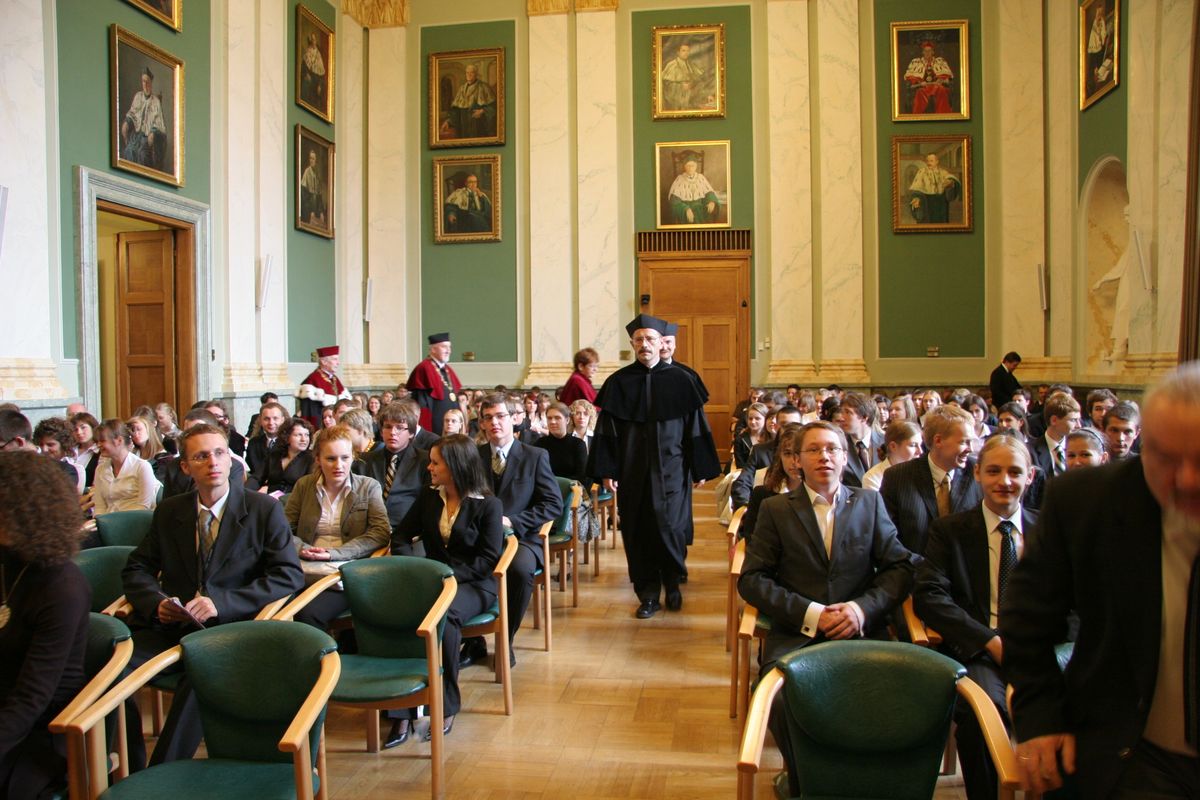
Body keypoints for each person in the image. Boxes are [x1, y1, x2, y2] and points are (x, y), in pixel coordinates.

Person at [1002, 362, 1200, 797]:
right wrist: (1041, 716)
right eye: (1167, 458)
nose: (1187, 480)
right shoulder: (1086, 501)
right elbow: (1028, 616)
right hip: (1131, 751)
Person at [738, 421, 915, 798]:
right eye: (814, 450)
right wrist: (812, 614)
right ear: (797, 460)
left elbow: (899, 568)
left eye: (833, 449)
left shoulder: (869, 503)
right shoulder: (775, 509)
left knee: (890, 694)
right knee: (781, 700)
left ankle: (861, 782)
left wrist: (860, 610)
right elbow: (752, 579)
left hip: (861, 633)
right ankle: (806, 784)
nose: (824, 457)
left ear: (845, 457)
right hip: (798, 636)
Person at [121, 422, 303, 766]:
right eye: (201, 456)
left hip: (230, 630)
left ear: (231, 459)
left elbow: (288, 575)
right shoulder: (171, 510)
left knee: (202, 673)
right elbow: (137, 568)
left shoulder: (263, 509)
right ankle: (127, 766)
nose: (213, 462)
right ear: (185, 467)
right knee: (109, 666)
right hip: (172, 626)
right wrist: (156, 603)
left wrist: (221, 603)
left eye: (220, 453)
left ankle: (161, 775)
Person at [914, 433, 1038, 800]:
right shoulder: (949, 531)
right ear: (978, 473)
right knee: (980, 712)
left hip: (1040, 650)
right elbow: (930, 597)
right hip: (979, 648)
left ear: (1030, 476)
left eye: (1015, 472)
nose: (1005, 481)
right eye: (994, 471)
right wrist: (989, 641)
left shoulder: (1050, 531)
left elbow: (1077, 602)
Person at [588, 314, 720, 618]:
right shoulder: (618, 382)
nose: (644, 344)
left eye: (650, 339)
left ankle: (672, 582)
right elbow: (607, 431)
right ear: (632, 343)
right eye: (639, 340)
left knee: (671, 527)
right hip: (632, 470)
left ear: (661, 342)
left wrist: (700, 466)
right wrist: (607, 470)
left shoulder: (682, 380)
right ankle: (647, 594)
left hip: (673, 469)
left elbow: (696, 427)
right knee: (637, 531)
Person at [385, 435, 503, 747]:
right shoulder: (429, 495)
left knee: (444, 616)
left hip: (474, 584)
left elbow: (487, 560)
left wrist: (444, 576)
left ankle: (445, 703)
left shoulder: (488, 504)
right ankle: (401, 709)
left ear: (456, 466)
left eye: (436, 462)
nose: (430, 467)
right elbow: (401, 536)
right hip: (431, 580)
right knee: (400, 611)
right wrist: (414, 567)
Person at [0, 451, 90, 800]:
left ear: (24, 513)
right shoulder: (9, 561)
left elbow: (32, 697)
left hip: (43, 726)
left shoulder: (62, 587)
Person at [472, 394, 561, 662]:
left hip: (522, 538)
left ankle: (505, 638)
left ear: (514, 419)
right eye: (488, 418)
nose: (494, 423)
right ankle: (473, 639)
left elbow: (553, 504)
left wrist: (513, 521)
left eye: (500, 416)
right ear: (482, 423)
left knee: (520, 570)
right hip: (478, 537)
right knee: (455, 565)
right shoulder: (473, 456)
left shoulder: (535, 456)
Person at [285, 425, 390, 630]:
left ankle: (321, 652)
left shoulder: (368, 487)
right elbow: (284, 530)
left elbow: (380, 532)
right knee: (272, 606)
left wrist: (333, 554)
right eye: (331, 459)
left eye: (345, 458)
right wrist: (303, 549)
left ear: (353, 457)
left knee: (308, 614)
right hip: (304, 566)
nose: (339, 465)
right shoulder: (304, 485)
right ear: (317, 459)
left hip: (345, 572)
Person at [880, 404, 983, 556]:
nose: (971, 449)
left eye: (971, 442)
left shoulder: (977, 472)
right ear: (938, 441)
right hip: (913, 567)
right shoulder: (897, 477)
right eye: (964, 442)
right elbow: (888, 538)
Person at [352, 403, 430, 556]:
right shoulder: (364, 461)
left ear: (411, 433)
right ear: (381, 431)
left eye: (400, 428)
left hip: (410, 536)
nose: (393, 432)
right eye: (387, 427)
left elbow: (428, 506)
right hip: (368, 533)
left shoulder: (425, 461)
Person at [739, 424, 804, 543]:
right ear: (780, 457)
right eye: (787, 454)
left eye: (799, 453)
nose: (794, 461)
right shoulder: (762, 495)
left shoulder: (821, 495)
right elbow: (751, 538)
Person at [90, 419, 161, 516]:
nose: (98, 445)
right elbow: (99, 507)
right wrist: (100, 522)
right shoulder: (100, 469)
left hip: (134, 521)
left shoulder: (142, 467)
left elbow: (143, 507)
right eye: (97, 442)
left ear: (119, 440)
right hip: (107, 522)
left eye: (102, 441)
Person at [406, 333, 463, 436]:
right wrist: (425, 432)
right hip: (434, 426)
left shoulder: (447, 370)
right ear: (433, 349)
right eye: (444, 347)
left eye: (449, 347)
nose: (448, 351)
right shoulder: (423, 368)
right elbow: (422, 404)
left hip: (451, 426)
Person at [254, 417, 315, 496]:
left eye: (307, 435)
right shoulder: (275, 455)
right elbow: (257, 477)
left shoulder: (312, 458)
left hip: (294, 500)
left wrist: (269, 490)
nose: (304, 439)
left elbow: (307, 489)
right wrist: (245, 492)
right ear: (287, 437)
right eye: (299, 435)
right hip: (269, 498)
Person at [833, 392, 884, 486]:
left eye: (847, 412)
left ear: (864, 417)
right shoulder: (838, 444)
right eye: (841, 412)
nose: (841, 418)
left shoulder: (885, 442)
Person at [120, 67, 167, 169]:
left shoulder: (156, 101)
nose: (145, 84)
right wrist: (127, 122)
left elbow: (159, 123)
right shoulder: (138, 96)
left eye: (147, 82)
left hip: (147, 137)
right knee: (129, 150)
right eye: (143, 81)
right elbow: (132, 113)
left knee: (142, 154)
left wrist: (153, 132)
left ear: (151, 83)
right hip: (136, 135)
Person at [296, 345, 351, 428]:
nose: (338, 363)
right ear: (324, 361)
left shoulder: (334, 378)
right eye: (335, 359)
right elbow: (311, 413)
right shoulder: (313, 380)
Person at [862, 420, 923, 492]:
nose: (920, 451)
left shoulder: (922, 473)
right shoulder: (872, 478)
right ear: (893, 446)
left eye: (920, 445)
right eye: (913, 445)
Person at [441, 63, 497, 140]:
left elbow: (494, 106)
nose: (469, 75)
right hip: (463, 125)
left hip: (478, 125)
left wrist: (482, 111)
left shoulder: (484, 87)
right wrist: (448, 121)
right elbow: (456, 109)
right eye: (467, 72)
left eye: (472, 72)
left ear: (476, 74)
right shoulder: (462, 89)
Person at [903, 39, 955, 115]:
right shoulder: (916, 62)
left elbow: (947, 77)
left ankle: (942, 116)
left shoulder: (940, 61)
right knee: (920, 93)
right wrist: (920, 83)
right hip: (922, 87)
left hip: (937, 86)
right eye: (925, 51)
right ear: (923, 52)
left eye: (929, 51)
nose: (927, 53)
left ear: (933, 52)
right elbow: (912, 79)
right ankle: (917, 116)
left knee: (942, 90)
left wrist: (941, 80)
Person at [908, 151, 960, 224]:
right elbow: (916, 188)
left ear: (937, 161)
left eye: (931, 161)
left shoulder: (943, 172)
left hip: (941, 203)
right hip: (927, 201)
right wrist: (916, 198)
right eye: (927, 161)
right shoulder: (921, 172)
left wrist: (951, 182)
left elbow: (952, 179)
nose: (928, 163)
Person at [667, 157, 720, 225]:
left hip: (701, 206)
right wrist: (686, 209)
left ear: (696, 166)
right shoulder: (679, 179)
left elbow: (709, 192)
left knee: (708, 212)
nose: (690, 168)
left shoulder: (701, 177)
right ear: (684, 167)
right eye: (688, 165)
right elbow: (674, 199)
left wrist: (711, 201)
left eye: (692, 166)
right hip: (686, 207)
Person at [659, 41, 710, 111]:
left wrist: (707, 94)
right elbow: (666, 86)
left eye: (688, 51)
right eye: (683, 51)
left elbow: (699, 81)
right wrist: (680, 86)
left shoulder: (691, 65)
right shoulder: (671, 65)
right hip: (676, 102)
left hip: (691, 100)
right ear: (678, 52)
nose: (686, 53)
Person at [244, 401, 289, 476]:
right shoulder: (253, 443)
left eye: (275, 418)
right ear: (261, 421)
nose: (271, 423)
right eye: (266, 419)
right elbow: (252, 470)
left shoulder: (289, 443)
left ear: (282, 420)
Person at [733, 402, 771, 470]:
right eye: (750, 418)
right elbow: (740, 465)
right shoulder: (740, 439)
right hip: (747, 473)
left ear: (766, 419)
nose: (753, 422)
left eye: (757, 418)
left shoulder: (771, 437)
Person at [68, 412, 101, 490]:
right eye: (75, 429)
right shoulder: (69, 450)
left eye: (83, 427)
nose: (79, 432)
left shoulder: (100, 451)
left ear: (93, 428)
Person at [300, 148, 327, 227]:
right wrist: (311, 210)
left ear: (316, 161)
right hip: (307, 205)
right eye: (310, 158)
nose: (311, 160)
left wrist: (321, 212)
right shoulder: (307, 172)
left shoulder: (317, 174)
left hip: (315, 206)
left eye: (313, 159)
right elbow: (303, 194)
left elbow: (319, 195)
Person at [300, 31, 326, 110]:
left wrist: (320, 85)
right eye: (312, 40)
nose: (314, 42)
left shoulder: (318, 54)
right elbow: (303, 66)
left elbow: (322, 74)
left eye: (314, 40)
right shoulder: (308, 52)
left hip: (317, 82)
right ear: (310, 41)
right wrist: (306, 74)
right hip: (310, 80)